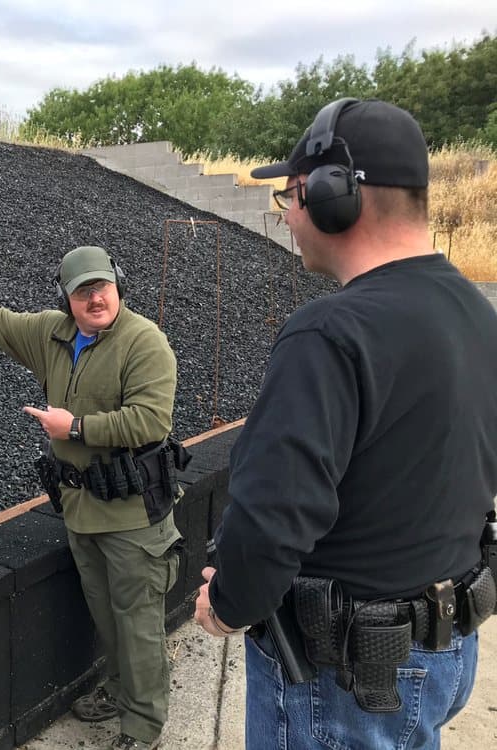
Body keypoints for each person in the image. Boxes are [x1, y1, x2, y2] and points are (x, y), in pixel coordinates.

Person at [194, 98, 497, 749]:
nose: (289, 217)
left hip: (341, 685)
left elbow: (270, 517)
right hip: (440, 651)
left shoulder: (327, 334)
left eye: (291, 196)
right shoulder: (476, 311)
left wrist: (226, 604)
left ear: (334, 195)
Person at [0, 245, 182, 750]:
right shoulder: (53, 334)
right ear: (67, 298)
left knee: (138, 623)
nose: (95, 298)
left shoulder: (145, 342)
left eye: (102, 286)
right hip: (82, 513)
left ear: (118, 284)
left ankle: (143, 727)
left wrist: (73, 426)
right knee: (107, 615)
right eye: (82, 291)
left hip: (134, 516)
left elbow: (151, 420)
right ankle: (120, 692)